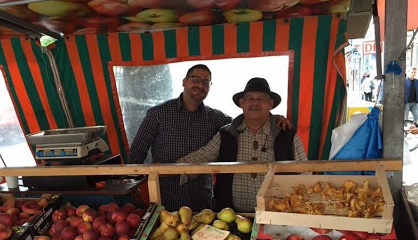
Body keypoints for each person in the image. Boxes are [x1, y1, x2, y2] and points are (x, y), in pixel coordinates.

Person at [127, 64, 290, 211]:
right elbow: (137, 152)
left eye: (206, 82)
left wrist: (271, 118)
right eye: (195, 79)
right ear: (184, 81)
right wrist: (135, 189)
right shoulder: (157, 114)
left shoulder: (217, 118)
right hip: (166, 195)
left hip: (202, 198)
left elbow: (248, 123)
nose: (200, 85)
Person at [178, 77, 307, 212]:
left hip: (278, 216)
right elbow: (202, 155)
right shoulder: (227, 134)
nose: (255, 103)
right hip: (232, 217)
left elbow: (305, 171)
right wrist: (172, 169)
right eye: (250, 98)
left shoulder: (287, 133)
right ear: (242, 103)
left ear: (270, 104)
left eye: (261, 99)